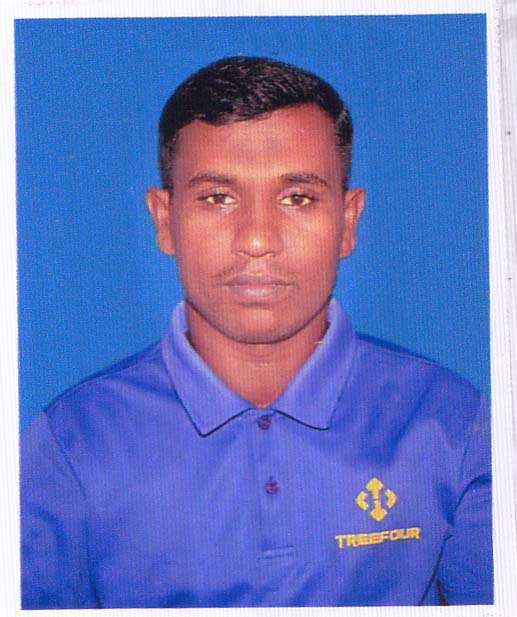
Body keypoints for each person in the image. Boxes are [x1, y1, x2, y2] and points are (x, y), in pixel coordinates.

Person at [20, 56, 492, 608]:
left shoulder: (453, 424)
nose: (257, 239)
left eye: (298, 198)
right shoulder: (70, 444)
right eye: (218, 198)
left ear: (348, 221)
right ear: (164, 220)